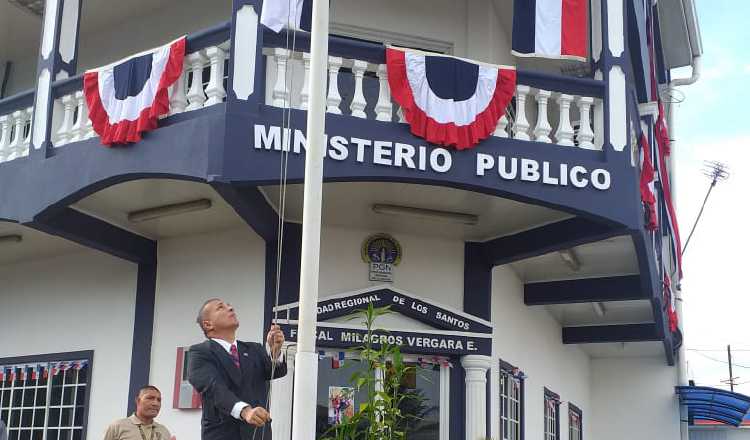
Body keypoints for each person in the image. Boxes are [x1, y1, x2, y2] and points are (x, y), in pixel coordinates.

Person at [189, 298, 287, 440]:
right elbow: (214, 388)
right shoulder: (200, 352)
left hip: (258, 434)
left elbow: (276, 371)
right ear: (208, 324)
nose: (230, 308)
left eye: (229, 305)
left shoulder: (254, 349)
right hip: (222, 434)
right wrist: (245, 411)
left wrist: (275, 351)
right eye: (220, 307)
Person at [103, 386, 172, 440]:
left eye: (159, 400)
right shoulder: (118, 427)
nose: (155, 403)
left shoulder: (164, 431)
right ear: (138, 401)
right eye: (150, 398)